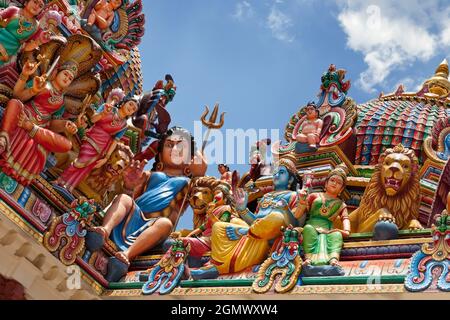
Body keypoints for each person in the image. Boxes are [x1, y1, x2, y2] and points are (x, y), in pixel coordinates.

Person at [85, 127, 207, 281]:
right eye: (169, 145)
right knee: (124, 198)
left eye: (181, 147)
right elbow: (132, 196)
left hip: (155, 227)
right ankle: (104, 230)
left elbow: (201, 169)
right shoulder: (150, 175)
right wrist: (129, 186)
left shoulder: (189, 184)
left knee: (165, 223)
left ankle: (126, 255)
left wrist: (195, 151)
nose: (175, 149)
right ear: (161, 153)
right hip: (134, 216)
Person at [191, 156, 301, 279]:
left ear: (290, 178)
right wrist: (243, 209)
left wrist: (285, 209)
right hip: (255, 235)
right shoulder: (266, 197)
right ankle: (218, 267)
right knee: (219, 226)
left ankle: (244, 233)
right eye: (275, 172)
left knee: (277, 216)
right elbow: (256, 222)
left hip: (270, 240)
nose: (276, 175)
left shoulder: (293, 196)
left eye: (281, 172)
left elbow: (296, 224)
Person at [0, 60, 78, 185]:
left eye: (70, 78)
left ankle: (31, 129)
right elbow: (17, 95)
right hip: (25, 114)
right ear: (56, 72)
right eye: (65, 74)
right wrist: (32, 87)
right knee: (14, 104)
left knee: (67, 145)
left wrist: (65, 126)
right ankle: (3, 139)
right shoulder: (42, 82)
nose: (67, 78)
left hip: (39, 130)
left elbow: (53, 124)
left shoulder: (61, 102)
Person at [56, 97, 139, 192]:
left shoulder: (124, 126)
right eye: (131, 104)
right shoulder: (108, 107)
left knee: (85, 170)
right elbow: (93, 119)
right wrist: (103, 113)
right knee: (79, 162)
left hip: (102, 148)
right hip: (92, 137)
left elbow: (115, 141)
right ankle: (60, 180)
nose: (131, 108)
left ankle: (69, 187)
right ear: (124, 102)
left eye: (134, 109)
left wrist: (106, 158)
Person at [295, 165, 350, 266]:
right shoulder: (314, 196)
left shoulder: (341, 204)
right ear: (326, 183)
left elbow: (345, 218)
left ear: (341, 189)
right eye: (332, 180)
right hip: (312, 225)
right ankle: (308, 258)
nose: (334, 184)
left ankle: (333, 259)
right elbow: (298, 214)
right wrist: (302, 201)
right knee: (307, 229)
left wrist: (346, 231)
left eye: (339, 183)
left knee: (336, 235)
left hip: (328, 229)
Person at [0, 0, 50, 65]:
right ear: (26, 2)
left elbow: (26, 47)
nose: (37, 6)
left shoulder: (36, 27)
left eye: (40, 6)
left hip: (8, 54)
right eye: (35, 2)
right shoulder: (14, 10)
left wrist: (39, 41)